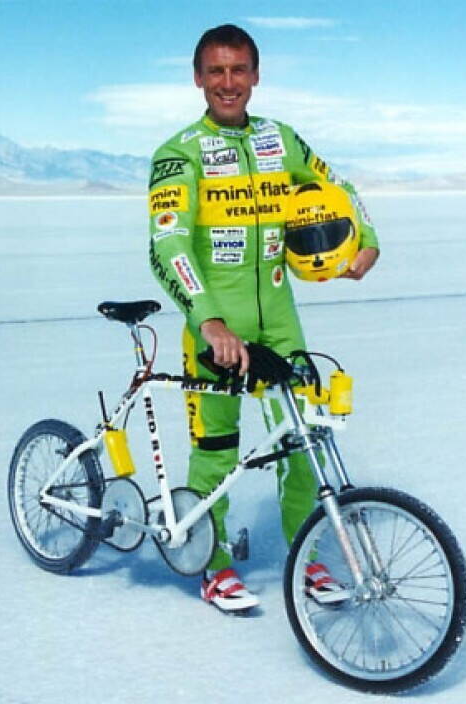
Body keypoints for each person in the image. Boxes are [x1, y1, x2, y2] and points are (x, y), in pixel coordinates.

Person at [148, 24, 379, 612]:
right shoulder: (179, 154)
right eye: (216, 71)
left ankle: (306, 556)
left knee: (304, 442)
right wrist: (208, 321)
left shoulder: (282, 139)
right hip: (215, 329)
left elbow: (337, 185)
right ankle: (214, 562)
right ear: (197, 78)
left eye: (239, 70)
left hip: (280, 320)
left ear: (255, 75)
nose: (228, 83)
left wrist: (367, 239)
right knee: (216, 450)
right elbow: (167, 246)